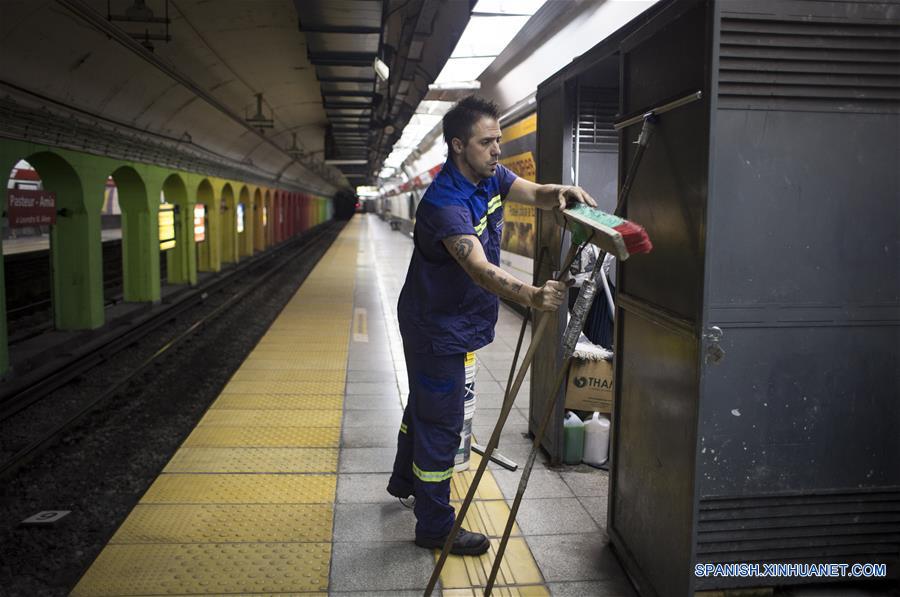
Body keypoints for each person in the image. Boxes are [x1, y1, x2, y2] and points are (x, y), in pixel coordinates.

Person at [387, 96, 597, 556]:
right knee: (441, 425)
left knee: (424, 406)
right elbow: (480, 270)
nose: (498, 150)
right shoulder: (445, 202)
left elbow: (535, 193)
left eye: (500, 140)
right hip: (435, 327)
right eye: (488, 142)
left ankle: (404, 481)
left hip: (451, 321)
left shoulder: (490, 176)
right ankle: (434, 525)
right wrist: (534, 296)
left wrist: (561, 191)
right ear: (460, 145)